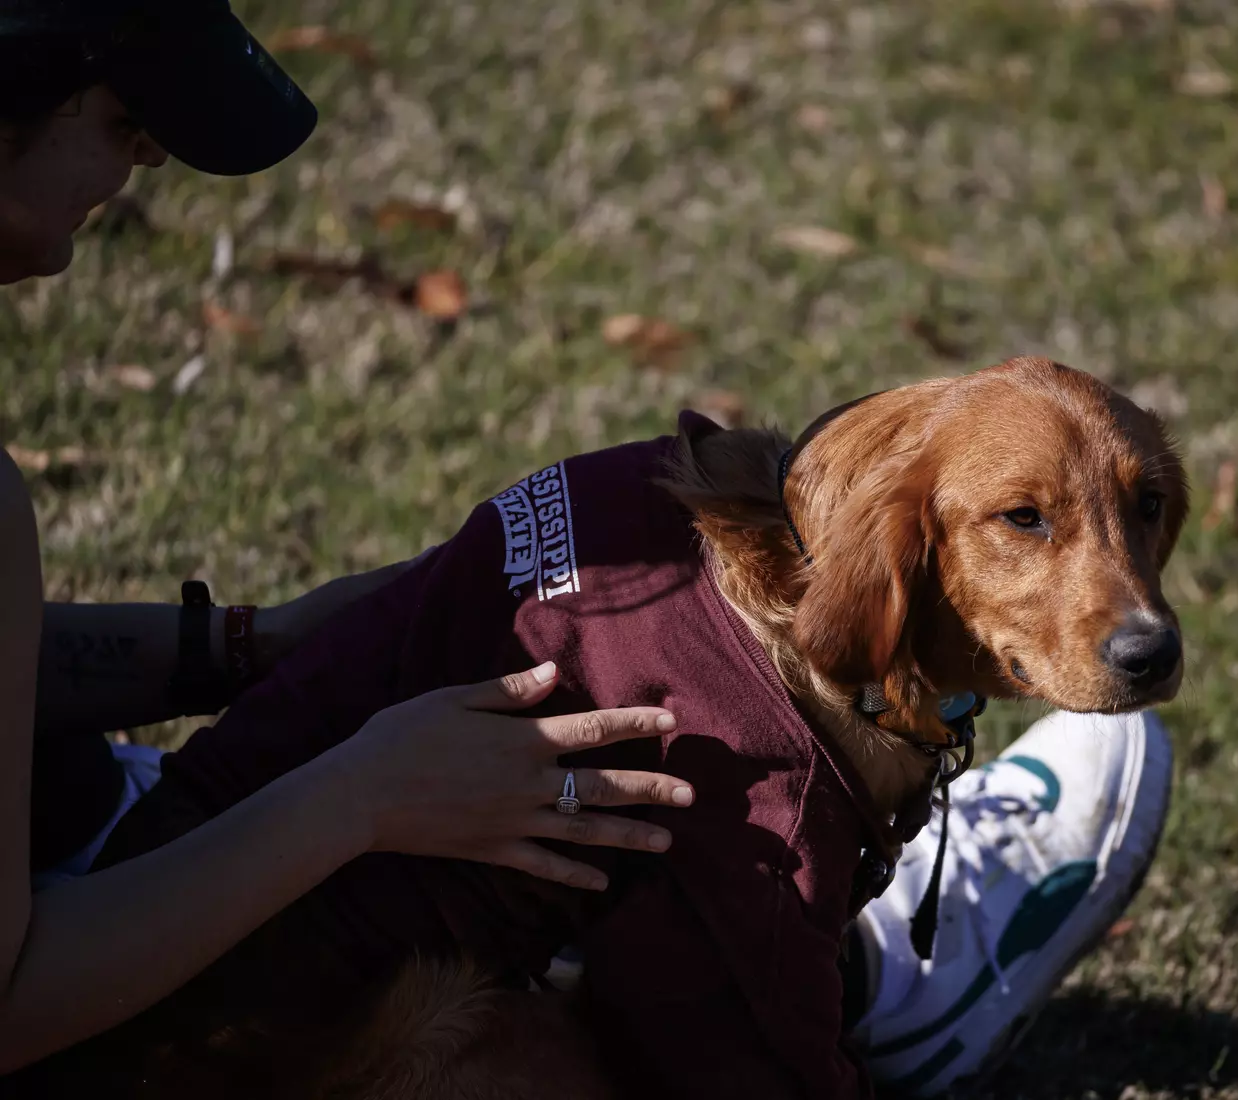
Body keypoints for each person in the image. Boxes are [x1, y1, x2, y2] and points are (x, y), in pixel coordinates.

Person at [0, 1, 1175, 1093]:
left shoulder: (648, 500)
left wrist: (255, 644)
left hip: (128, 854)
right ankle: (857, 978)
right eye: (117, 114)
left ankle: (799, 946)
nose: (146, 156)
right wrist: (355, 794)